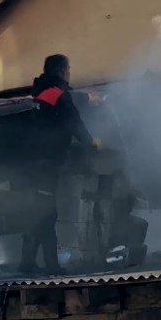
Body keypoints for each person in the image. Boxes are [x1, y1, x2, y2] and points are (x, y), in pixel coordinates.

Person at [16, 54, 103, 275]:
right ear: (63, 70)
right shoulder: (58, 95)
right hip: (45, 164)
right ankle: (46, 265)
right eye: (69, 69)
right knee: (46, 213)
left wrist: (85, 98)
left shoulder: (39, 93)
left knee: (39, 211)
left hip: (30, 163)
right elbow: (73, 122)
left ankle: (31, 263)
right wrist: (91, 142)